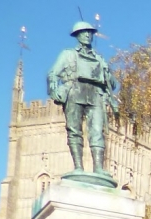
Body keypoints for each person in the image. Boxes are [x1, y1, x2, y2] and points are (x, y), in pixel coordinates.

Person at [47, 21, 119, 177]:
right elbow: (53, 73)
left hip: (95, 95)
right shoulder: (68, 54)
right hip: (74, 92)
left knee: (97, 131)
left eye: (90, 32)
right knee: (74, 130)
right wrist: (53, 89)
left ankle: (98, 168)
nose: (88, 35)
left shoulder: (99, 58)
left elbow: (112, 84)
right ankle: (78, 167)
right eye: (84, 32)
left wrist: (107, 73)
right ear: (77, 35)